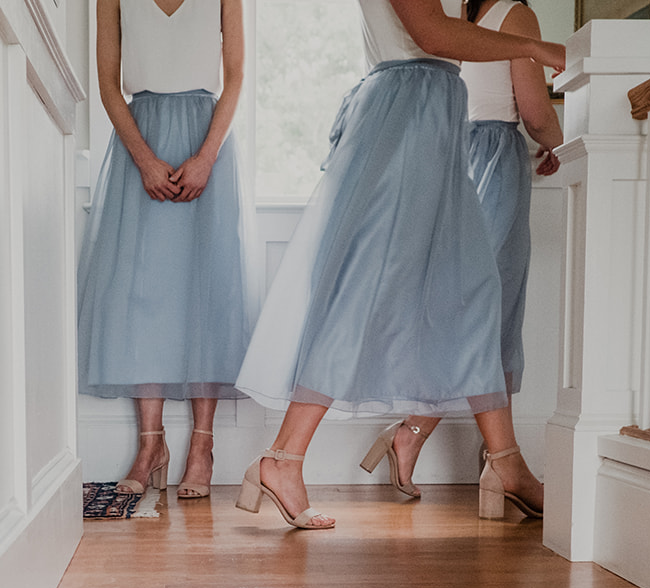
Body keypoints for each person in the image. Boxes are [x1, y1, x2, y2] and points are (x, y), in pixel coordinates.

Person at [232, 0, 564, 529]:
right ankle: (283, 458)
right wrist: (530, 47)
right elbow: (432, 33)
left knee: (473, 294)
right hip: (409, 114)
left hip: (428, 114)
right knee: (361, 295)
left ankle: (505, 463)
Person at [359, 0, 563, 520]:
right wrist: (564, 142)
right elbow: (537, 114)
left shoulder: (452, 19)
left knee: (462, 312)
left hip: (446, 152)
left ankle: (448, 445)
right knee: (485, 316)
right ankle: (482, 457)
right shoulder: (517, 18)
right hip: (493, 162)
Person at [78, 0, 257, 499]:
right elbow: (109, 86)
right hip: (142, 144)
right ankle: (151, 445)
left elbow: (238, 76)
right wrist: (144, 160)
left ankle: (203, 446)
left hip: (208, 142)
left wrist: (206, 157)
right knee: (140, 294)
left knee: (207, 290)